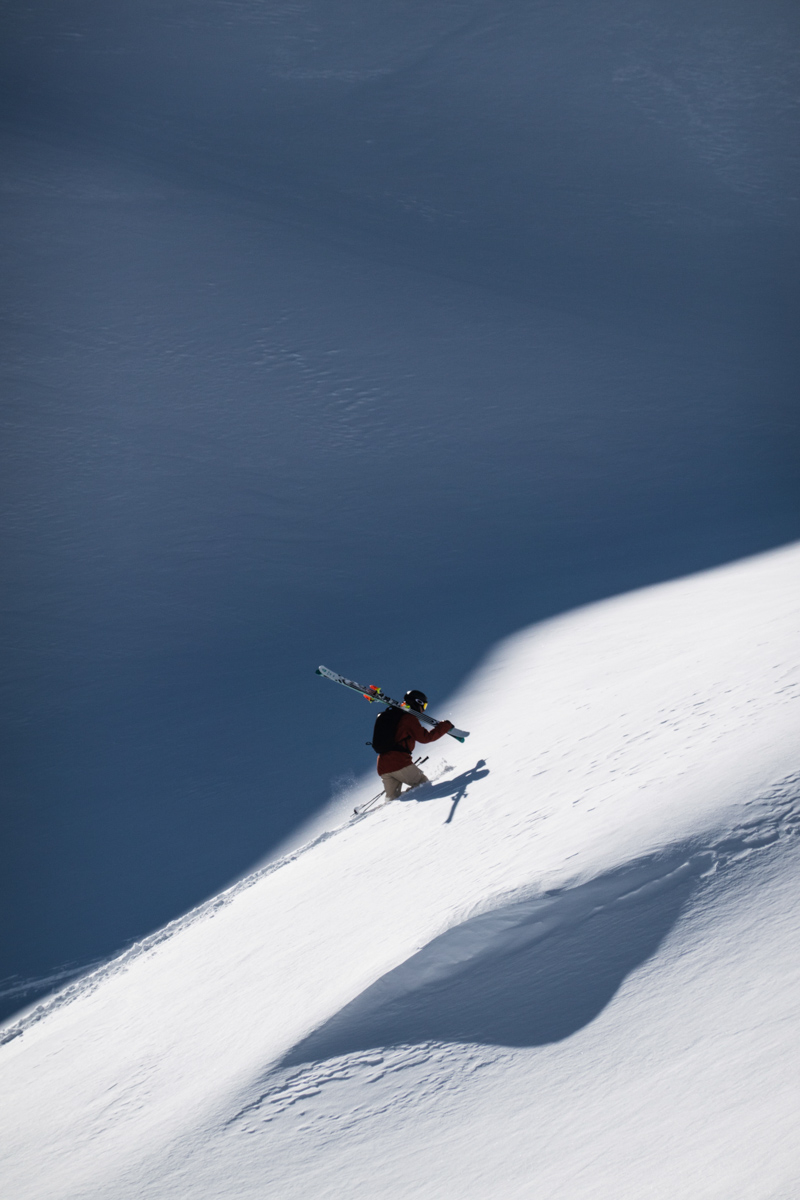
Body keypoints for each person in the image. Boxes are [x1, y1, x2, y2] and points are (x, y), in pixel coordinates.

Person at [375, 689, 453, 801]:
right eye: (424, 706)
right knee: (423, 785)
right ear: (418, 703)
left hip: (383, 765)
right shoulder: (408, 718)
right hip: (398, 762)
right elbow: (425, 737)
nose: (423, 710)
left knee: (393, 799)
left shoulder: (394, 715)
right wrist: (445, 726)